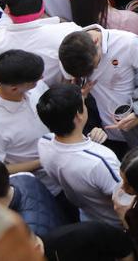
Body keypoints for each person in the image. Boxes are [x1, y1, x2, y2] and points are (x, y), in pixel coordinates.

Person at [35, 83, 121, 224]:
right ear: (78, 115)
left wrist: (91, 143)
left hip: (88, 216)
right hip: (113, 222)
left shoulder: (44, 143)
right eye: (83, 104)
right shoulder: (101, 161)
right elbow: (125, 200)